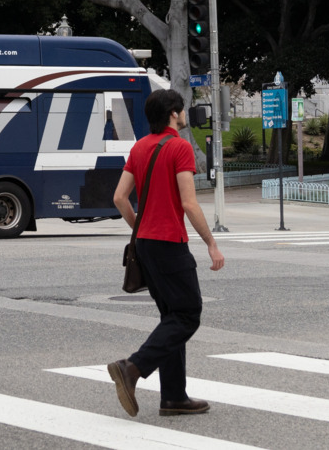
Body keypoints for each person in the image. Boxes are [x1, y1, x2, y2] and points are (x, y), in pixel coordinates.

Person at [109, 88, 225, 418]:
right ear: (173, 113)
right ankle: (132, 368)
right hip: (170, 244)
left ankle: (173, 397)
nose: (184, 114)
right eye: (182, 109)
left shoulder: (140, 147)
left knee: (172, 317)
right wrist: (211, 243)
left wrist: (140, 226)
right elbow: (189, 202)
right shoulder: (179, 147)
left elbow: (120, 198)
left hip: (144, 244)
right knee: (188, 314)